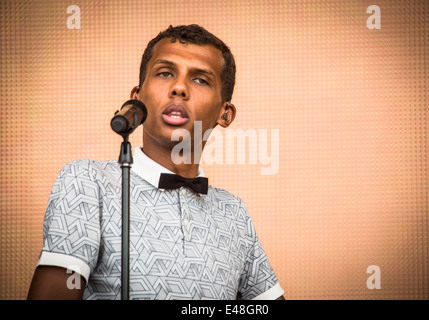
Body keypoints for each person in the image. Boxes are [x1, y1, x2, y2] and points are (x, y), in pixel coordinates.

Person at [27, 24, 285, 300]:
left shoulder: (234, 213)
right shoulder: (88, 181)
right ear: (137, 98)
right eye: (164, 73)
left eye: (200, 79)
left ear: (225, 113)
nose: (178, 88)